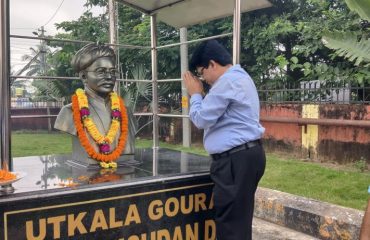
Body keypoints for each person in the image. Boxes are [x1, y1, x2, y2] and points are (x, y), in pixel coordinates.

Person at [183, 40, 266, 240]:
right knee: (238, 222)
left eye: (202, 72)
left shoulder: (227, 82)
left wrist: (195, 94)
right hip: (246, 156)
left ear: (212, 64)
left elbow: (201, 118)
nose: (203, 79)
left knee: (231, 227)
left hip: (235, 161)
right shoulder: (241, 77)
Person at [54, 43, 135, 166]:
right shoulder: (69, 111)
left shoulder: (125, 111)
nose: (109, 77)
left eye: (112, 72)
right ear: (83, 76)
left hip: (126, 164)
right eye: (101, 72)